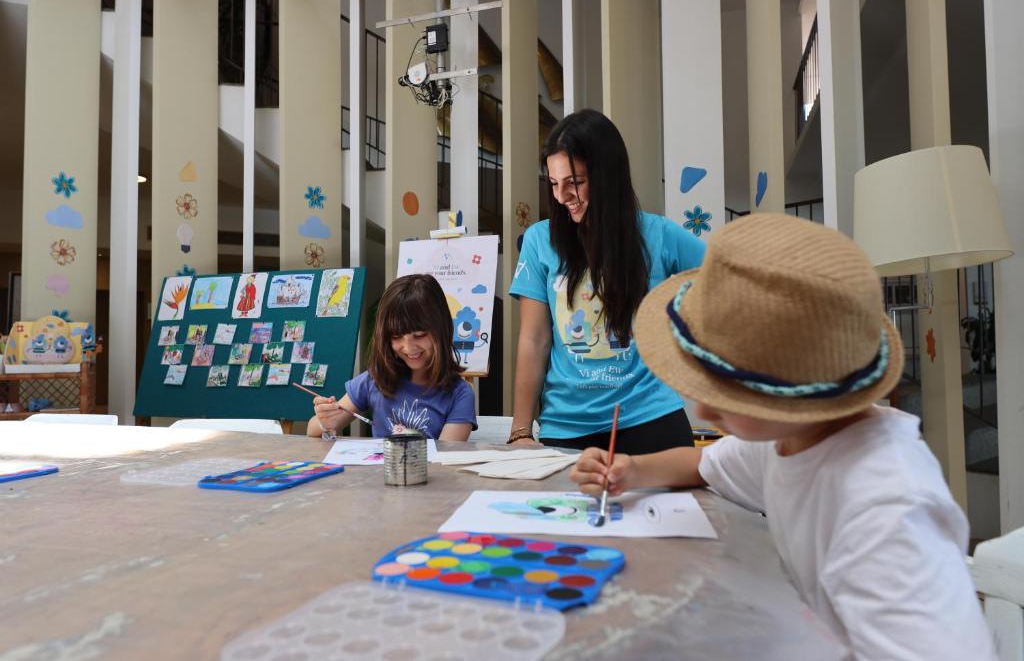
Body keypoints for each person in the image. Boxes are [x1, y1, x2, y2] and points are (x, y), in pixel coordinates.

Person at [571, 213, 995, 660]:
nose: (704, 409)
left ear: (793, 400)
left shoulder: (885, 512)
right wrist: (632, 469)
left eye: (726, 395)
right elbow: (703, 465)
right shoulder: (792, 438)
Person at [508, 109, 706, 453]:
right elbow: (534, 338)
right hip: (567, 426)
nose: (561, 196)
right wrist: (521, 431)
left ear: (607, 176)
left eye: (575, 183)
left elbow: (725, 280)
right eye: (554, 184)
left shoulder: (658, 234)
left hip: (651, 416)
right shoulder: (540, 240)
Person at [306, 274, 476, 441]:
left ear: (442, 330)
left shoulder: (460, 394)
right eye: (396, 337)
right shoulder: (374, 379)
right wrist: (326, 421)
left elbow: (445, 459)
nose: (408, 347)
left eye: (419, 335)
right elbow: (312, 430)